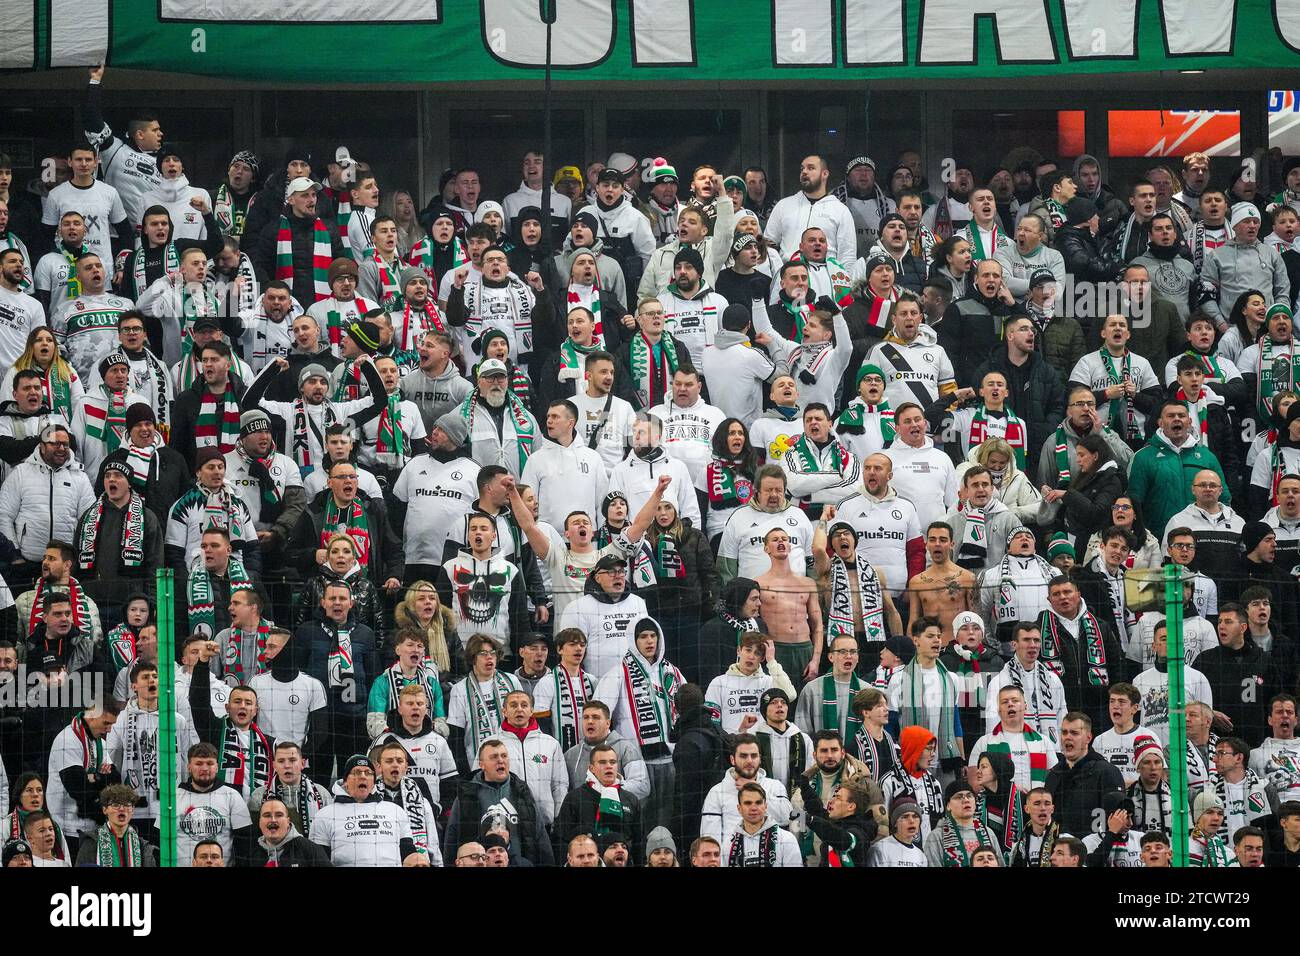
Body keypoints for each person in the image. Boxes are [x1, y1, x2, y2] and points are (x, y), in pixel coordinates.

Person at [0, 424, 95, 571]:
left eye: (65, 444)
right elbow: (3, 515)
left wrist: (81, 555)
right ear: (42, 446)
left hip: (66, 566)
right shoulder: (21, 473)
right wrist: (14, 554)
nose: (62, 449)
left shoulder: (80, 477)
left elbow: (90, 521)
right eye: (56, 443)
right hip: (28, 564)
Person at [814, 520, 902, 671]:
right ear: (832, 544)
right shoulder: (826, 573)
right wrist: (823, 518)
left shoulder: (875, 573)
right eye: (836, 535)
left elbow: (891, 611)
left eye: (846, 534)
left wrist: (898, 648)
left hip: (872, 639)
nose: (842, 537)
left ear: (855, 540)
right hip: (839, 641)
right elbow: (818, 549)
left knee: (873, 689)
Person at [308, 755, 425, 867]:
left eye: (368, 773)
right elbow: (318, 860)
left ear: (373, 782)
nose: (363, 776)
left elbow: (408, 852)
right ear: (345, 782)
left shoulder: (394, 810)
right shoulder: (325, 815)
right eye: (357, 772)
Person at [887, 617, 964, 780]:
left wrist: (961, 759)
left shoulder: (951, 679)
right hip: (911, 762)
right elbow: (891, 726)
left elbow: (955, 723)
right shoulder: (899, 679)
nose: (936, 640)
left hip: (945, 761)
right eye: (930, 636)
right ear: (916, 640)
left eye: (938, 636)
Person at [1196, 603, 1274, 746]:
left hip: (1255, 743)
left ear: (1243, 628)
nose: (1221, 626)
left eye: (1228, 622)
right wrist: (1210, 713)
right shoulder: (1205, 660)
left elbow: (1274, 700)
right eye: (1219, 622)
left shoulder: (1264, 660)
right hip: (1215, 743)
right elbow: (1190, 700)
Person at [552, 743, 643, 863]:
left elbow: (639, 842)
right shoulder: (575, 798)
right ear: (591, 768)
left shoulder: (630, 799)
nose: (609, 766)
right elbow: (561, 841)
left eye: (612, 762)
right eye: (602, 762)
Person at [444, 635, 522, 774]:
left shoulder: (512, 681)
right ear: (473, 658)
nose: (489, 657)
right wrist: (465, 774)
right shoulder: (460, 689)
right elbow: (457, 737)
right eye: (483, 653)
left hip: (514, 761)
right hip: (477, 765)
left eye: (492, 653)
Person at [1044, 711, 1125, 840]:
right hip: (1058, 853)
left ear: (1088, 737)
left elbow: (1117, 823)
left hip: (1094, 853)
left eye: (1074, 733)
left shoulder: (1106, 772)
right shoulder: (1053, 775)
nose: (1067, 737)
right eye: (1064, 732)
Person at [174, 742, 254, 867]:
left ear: (217, 766)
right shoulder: (173, 798)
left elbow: (245, 843)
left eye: (210, 763)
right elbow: (158, 840)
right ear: (189, 766)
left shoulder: (232, 796)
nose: (205, 768)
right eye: (199, 763)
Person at [765, 155, 856, 263]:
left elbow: (847, 255)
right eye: (802, 169)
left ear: (825, 174)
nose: (804, 172)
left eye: (811, 168)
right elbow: (768, 245)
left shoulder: (840, 210)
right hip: (789, 274)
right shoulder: (784, 205)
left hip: (826, 275)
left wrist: (844, 279)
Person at [74, 783, 158, 867]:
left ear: (132, 810)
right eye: (115, 805)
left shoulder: (143, 846)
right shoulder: (90, 844)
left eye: (126, 805)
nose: (121, 809)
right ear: (105, 810)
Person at [925, 779, 1003, 866]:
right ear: (948, 806)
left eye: (969, 796)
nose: (966, 800)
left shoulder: (988, 833)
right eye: (959, 797)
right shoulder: (936, 837)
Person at [1084, 791, 1144, 867]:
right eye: (1125, 817)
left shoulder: (1140, 838)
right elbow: (1094, 864)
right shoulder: (1090, 842)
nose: (1130, 823)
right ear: (1110, 816)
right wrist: (1112, 833)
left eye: (1131, 817)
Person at [869, 798, 928, 867]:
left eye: (915, 816)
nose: (911, 821)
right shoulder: (881, 848)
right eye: (905, 817)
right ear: (895, 823)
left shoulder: (921, 856)